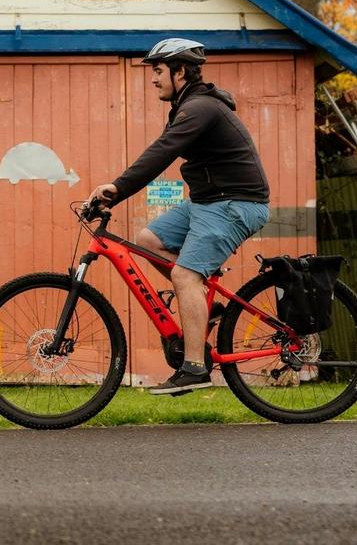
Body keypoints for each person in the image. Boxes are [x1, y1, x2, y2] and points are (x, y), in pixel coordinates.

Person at [87, 38, 270, 396]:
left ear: (180, 71)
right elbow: (163, 149)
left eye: (157, 71)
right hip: (207, 201)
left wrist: (116, 188)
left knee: (185, 274)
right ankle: (205, 304)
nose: (153, 79)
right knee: (148, 241)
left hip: (235, 203)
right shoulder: (190, 107)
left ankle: (195, 368)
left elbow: (161, 152)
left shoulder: (200, 108)